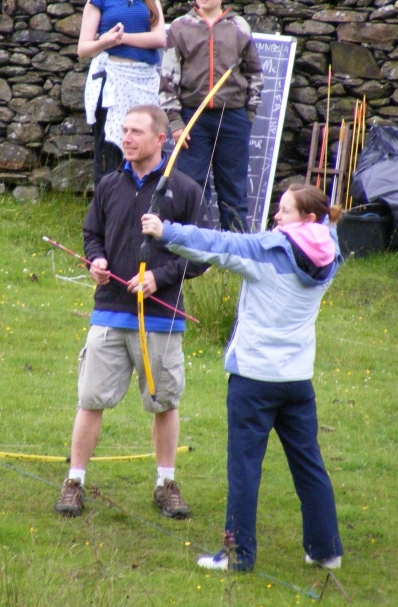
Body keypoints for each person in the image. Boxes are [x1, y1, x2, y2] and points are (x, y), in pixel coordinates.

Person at [141, 183, 344, 572]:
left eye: (285, 211)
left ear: (309, 218)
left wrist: (165, 231)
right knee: (309, 464)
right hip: (297, 380)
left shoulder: (268, 250)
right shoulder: (330, 253)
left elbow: (217, 245)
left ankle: (238, 556)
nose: (276, 217)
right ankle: (326, 550)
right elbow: (323, 232)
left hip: (254, 379)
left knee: (244, 469)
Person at [54, 105, 209, 519]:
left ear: (161, 139)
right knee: (90, 400)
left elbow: (201, 254)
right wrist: (97, 261)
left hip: (159, 319)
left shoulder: (185, 190)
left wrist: (158, 277)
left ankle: (166, 484)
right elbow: (92, 233)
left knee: (164, 403)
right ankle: (74, 482)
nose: (126, 137)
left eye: (136, 131)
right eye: (124, 130)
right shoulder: (109, 183)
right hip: (109, 314)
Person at [160, 0, 263, 231]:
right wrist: (175, 122)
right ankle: (194, 247)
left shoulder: (239, 27)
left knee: (234, 189)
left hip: (234, 118)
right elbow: (168, 77)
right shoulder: (180, 27)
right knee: (192, 187)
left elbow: (254, 72)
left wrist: (248, 116)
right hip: (193, 119)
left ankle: (235, 248)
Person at [81, 0, 166, 186]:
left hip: (145, 82)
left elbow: (160, 38)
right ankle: (106, 211)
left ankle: (142, 208)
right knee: (109, 157)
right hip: (112, 84)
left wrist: (122, 38)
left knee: (145, 150)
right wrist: (105, 41)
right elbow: (84, 48)